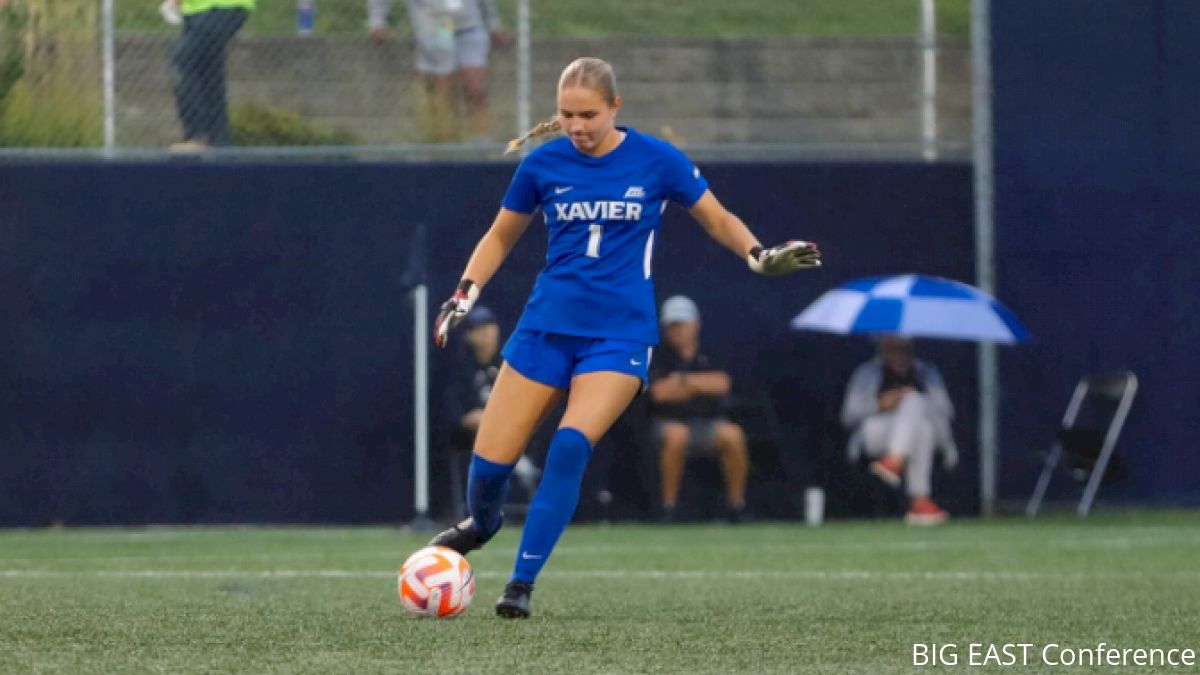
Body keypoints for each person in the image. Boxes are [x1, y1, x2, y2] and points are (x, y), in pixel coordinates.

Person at [428, 57, 821, 619]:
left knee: (568, 444)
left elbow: (716, 217)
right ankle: (482, 525)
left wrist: (759, 257)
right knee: (489, 467)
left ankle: (520, 584)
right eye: (566, 114)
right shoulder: (543, 165)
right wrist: (462, 294)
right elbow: (499, 236)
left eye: (588, 114)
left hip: (618, 336)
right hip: (544, 328)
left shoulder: (656, 159)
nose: (577, 125)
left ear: (616, 107)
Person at [648, 295, 749, 523]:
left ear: (695, 324)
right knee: (677, 435)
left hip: (707, 423)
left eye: (681, 325)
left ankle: (736, 506)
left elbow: (722, 384)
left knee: (732, 435)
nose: (676, 331)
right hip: (667, 423)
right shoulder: (659, 355)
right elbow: (660, 393)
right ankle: (669, 508)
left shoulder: (710, 351)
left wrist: (682, 382)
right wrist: (700, 384)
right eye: (671, 326)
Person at [841, 336, 957, 525]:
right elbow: (849, 416)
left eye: (904, 350)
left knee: (917, 410)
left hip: (929, 433)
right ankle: (920, 501)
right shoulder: (867, 373)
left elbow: (946, 412)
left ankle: (894, 460)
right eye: (892, 349)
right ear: (882, 349)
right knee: (920, 428)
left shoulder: (926, 372)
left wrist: (913, 402)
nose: (899, 355)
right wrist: (880, 404)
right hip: (878, 434)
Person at [442, 305, 538, 518]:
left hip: (512, 433)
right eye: (479, 329)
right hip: (473, 439)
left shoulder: (508, 365)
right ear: (469, 335)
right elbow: (458, 414)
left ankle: (523, 473)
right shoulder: (461, 370)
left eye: (490, 327)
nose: (487, 334)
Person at [368, 0, 510, 142]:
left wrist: (494, 23)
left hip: (470, 27)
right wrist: (377, 22)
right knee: (445, 88)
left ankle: (481, 139)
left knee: (476, 89)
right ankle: (447, 140)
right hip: (440, 28)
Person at [169, 0, 254, 150]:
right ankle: (219, 141)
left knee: (183, 62)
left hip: (218, 6)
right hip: (199, 10)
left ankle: (197, 135)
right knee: (208, 71)